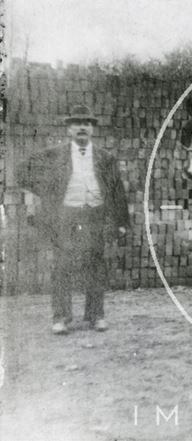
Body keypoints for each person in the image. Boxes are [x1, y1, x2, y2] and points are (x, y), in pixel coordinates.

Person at [17, 105, 130, 335]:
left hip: (95, 214)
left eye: (86, 124)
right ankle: (61, 318)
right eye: (77, 123)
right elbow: (21, 171)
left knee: (95, 266)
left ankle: (96, 315)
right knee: (62, 267)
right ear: (69, 129)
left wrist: (121, 222)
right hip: (65, 215)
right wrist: (48, 192)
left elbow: (118, 191)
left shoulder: (105, 158)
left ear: (92, 130)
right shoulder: (54, 155)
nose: (82, 128)